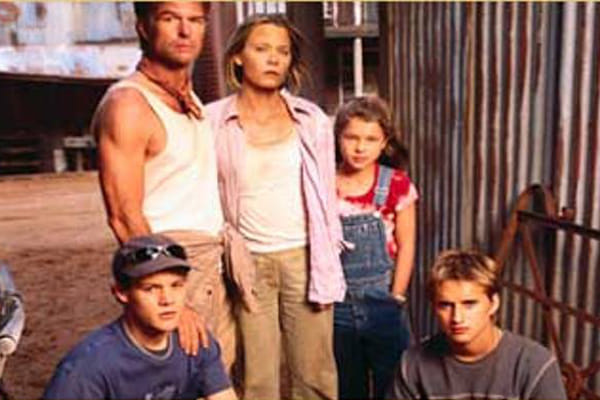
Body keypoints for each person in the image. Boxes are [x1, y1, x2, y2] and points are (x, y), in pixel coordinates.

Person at [206, 14, 345, 400]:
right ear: (238, 57)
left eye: (282, 52)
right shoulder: (211, 121)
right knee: (257, 378)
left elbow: (326, 195)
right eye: (262, 49)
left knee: (315, 376)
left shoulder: (311, 120)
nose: (273, 59)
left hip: (306, 257)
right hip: (246, 262)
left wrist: (330, 252)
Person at [92, 1, 237, 371]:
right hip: (172, 262)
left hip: (212, 260)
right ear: (143, 26)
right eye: (170, 19)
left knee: (218, 375)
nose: (185, 31)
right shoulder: (128, 105)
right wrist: (172, 297)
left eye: (196, 20)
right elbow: (123, 216)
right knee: (182, 378)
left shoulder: (188, 99)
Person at [43, 234, 237, 400]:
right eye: (151, 288)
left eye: (176, 286)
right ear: (121, 293)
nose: (167, 300)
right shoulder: (89, 366)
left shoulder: (194, 341)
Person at [388, 249, 568, 400]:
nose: (457, 318)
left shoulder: (534, 364)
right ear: (434, 307)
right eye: (446, 305)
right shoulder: (412, 365)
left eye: (469, 304)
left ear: (493, 303)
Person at [333, 96, 417, 400]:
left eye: (370, 139)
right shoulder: (325, 183)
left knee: (392, 383)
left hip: (382, 302)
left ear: (384, 143)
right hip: (337, 305)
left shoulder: (396, 184)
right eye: (352, 137)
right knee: (347, 385)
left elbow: (407, 245)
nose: (360, 147)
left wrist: (396, 296)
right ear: (338, 137)